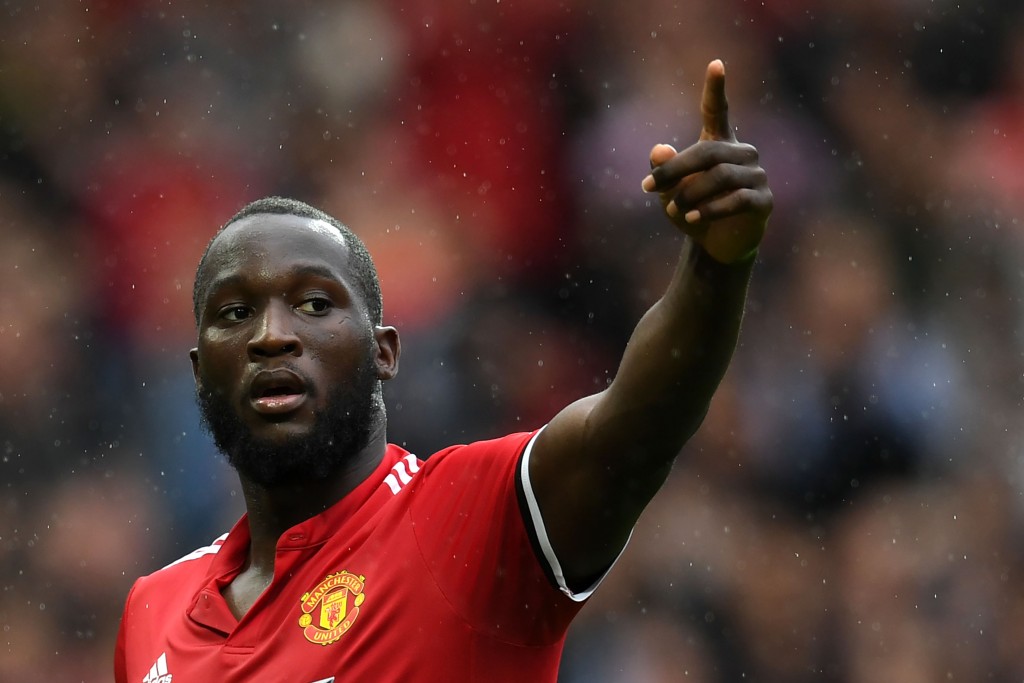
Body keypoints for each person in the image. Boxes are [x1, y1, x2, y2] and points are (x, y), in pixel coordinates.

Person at [114, 59, 772, 683]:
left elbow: (635, 426)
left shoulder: (468, 520)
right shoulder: (152, 610)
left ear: (385, 352)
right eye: (235, 312)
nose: (272, 334)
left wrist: (715, 268)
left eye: (314, 303)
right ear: (200, 371)